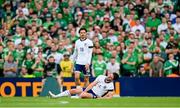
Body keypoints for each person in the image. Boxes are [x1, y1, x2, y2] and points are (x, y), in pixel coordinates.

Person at [49, 72, 119, 99]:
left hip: (95, 95)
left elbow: (110, 97)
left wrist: (100, 98)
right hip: (91, 90)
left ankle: (75, 97)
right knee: (74, 90)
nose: (109, 76)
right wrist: (85, 90)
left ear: (112, 79)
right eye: (110, 75)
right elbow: (92, 84)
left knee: (83, 95)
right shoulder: (101, 76)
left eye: (111, 77)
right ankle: (56, 96)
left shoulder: (111, 86)